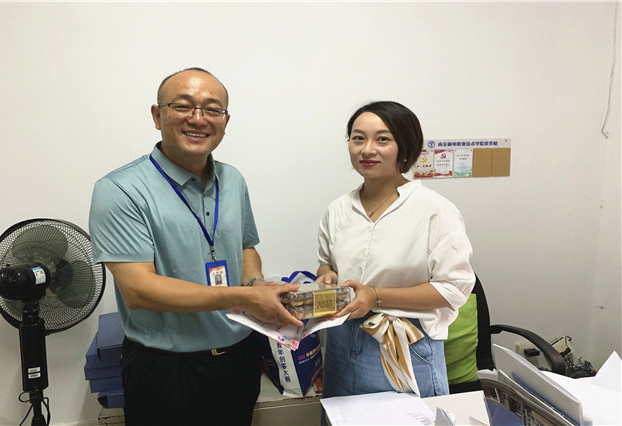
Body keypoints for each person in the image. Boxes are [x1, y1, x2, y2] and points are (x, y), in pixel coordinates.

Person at [88, 67, 302, 426]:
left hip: (238, 359)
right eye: (183, 106)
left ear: (225, 121)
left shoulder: (233, 180)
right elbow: (139, 290)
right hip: (166, 371)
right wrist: (245, 297)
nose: (198, 119)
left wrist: (255, 284)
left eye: (212, 109)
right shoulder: (120, 189)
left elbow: (246, 247)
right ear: (157, 115)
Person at [316, 101, 475, 404]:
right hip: (341, 341)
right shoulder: (337, 210)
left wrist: (376, 296)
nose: (367, 149)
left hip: (403, 343)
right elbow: (326, 262)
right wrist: (328, 277)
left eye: (382, 139)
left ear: (404, 147)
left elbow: (453, 289)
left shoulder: (434, 210)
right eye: (358, 138)